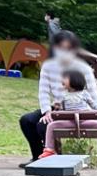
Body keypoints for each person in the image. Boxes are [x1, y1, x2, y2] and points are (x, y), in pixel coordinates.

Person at [28, 30, 93, 162]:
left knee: (43, 125)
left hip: (76, 109)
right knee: (27, 120)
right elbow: (43, 91)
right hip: (57, 106)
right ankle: (38, 157)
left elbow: (88, 92)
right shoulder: (48, 66)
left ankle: (53, 158)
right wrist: (47, 111)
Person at [41, 67, 97, 159]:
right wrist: (57, 107)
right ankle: (49, 149)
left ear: (75, 79)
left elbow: (94, 105)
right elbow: (58, 108)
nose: (62, 80)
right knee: (51, 126)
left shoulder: (84, 93)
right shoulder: (62, 95)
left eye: (65, 78)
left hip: (84, 121)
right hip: (69, 121)